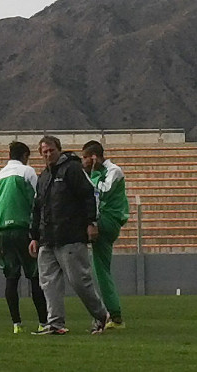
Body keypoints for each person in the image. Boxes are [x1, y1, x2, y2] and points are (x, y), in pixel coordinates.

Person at [29, 136, 109, 335]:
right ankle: (55, 322)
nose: (48, 155)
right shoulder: (44, 177)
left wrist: (91, 222)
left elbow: (87, 195)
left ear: (59, 150)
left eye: (51, 151)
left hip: (70, 235)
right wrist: (34, 236)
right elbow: (38, 208)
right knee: (48, 282)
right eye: (44, 152)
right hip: (48, 238)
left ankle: (101, 315)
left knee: (79, 281)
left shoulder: (71, 170)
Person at [0, 142, 48, 334]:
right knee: (34, 276)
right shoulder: (27, 171)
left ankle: (16, 324)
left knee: (11, 277)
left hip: (3, 232)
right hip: (23, 229)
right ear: (25, 155)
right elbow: (37, 199)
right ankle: (43, 321)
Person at [82, 140, 130, 329]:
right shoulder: (99, 172)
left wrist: (92, 174)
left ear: (94, 157)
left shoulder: (113, 171)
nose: (83, 161)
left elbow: (102, 191)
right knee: (101, 270)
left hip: (108, 221)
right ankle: (114, 313)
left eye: (85, 157)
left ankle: (104, 313)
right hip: (106, 220)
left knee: (99, 269)